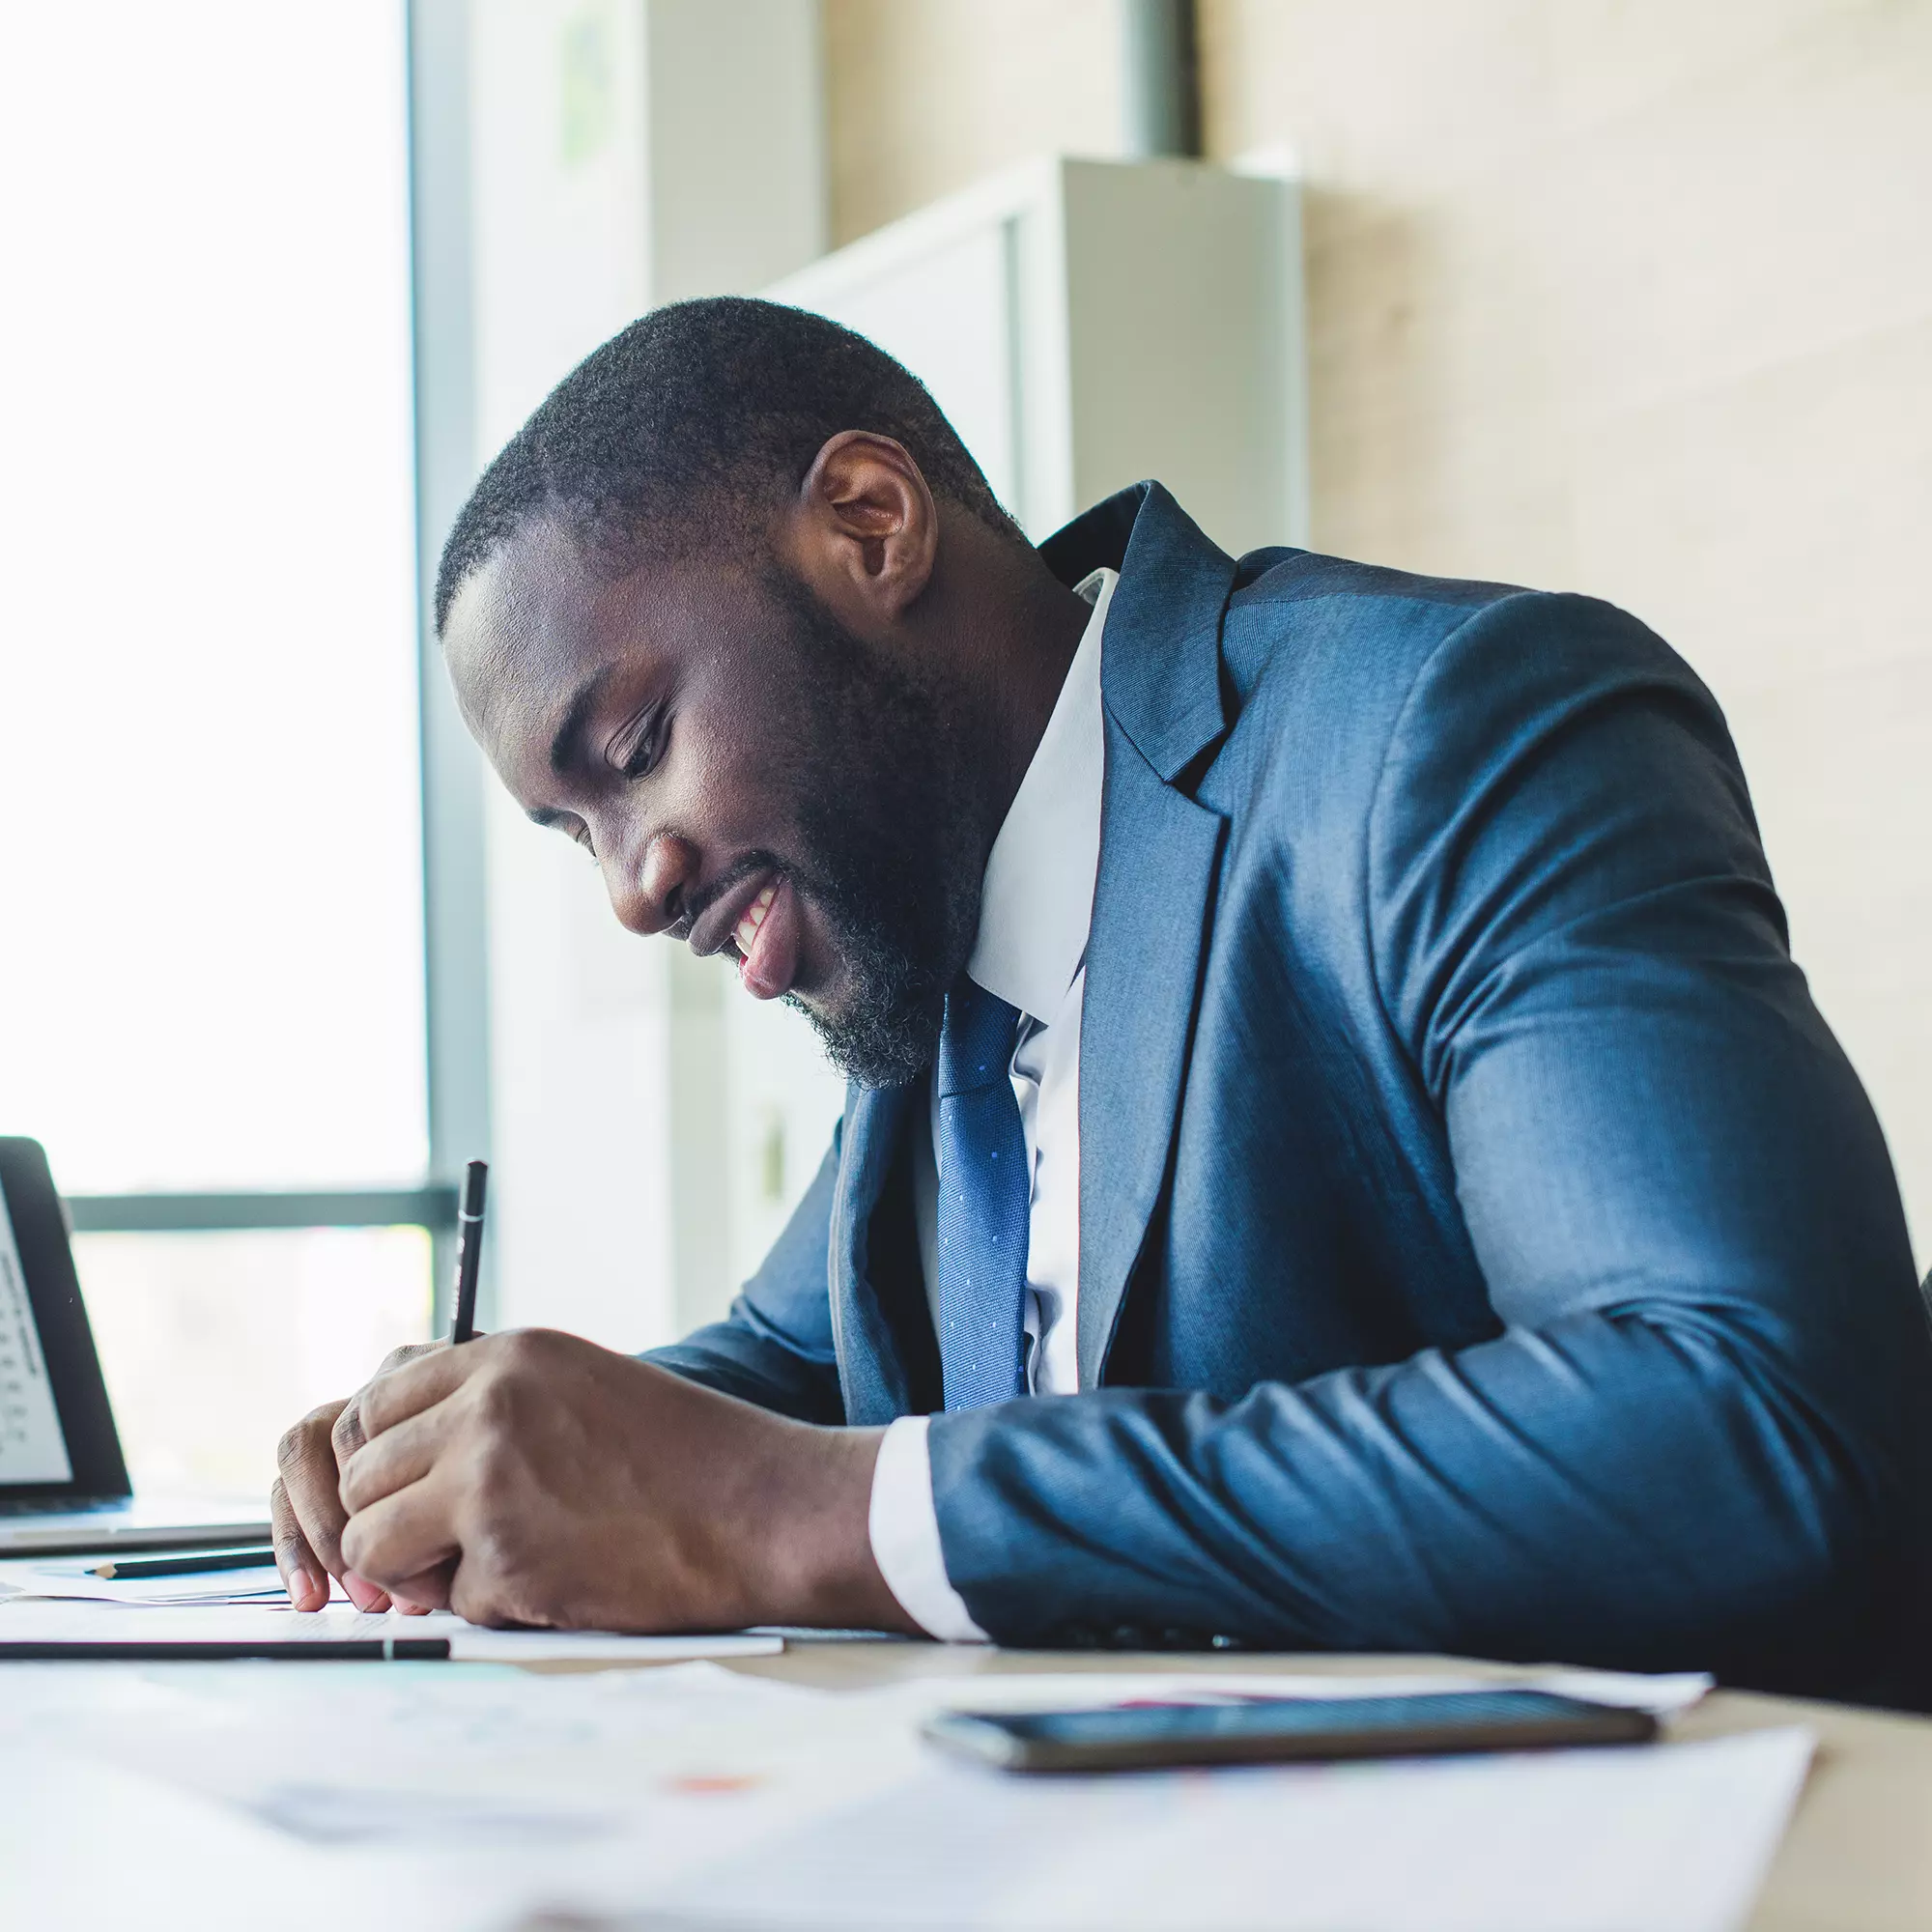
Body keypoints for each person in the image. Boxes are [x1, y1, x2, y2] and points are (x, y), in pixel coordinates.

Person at [271, 298, 1932, 1704]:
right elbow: (755, 1396)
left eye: (631, 754)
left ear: (868, 521)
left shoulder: (1453, 736)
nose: (634, 886)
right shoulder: (928, 979)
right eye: (578, 836)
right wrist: (447, 1457)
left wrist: (837, 1520)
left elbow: (1748, 1417)